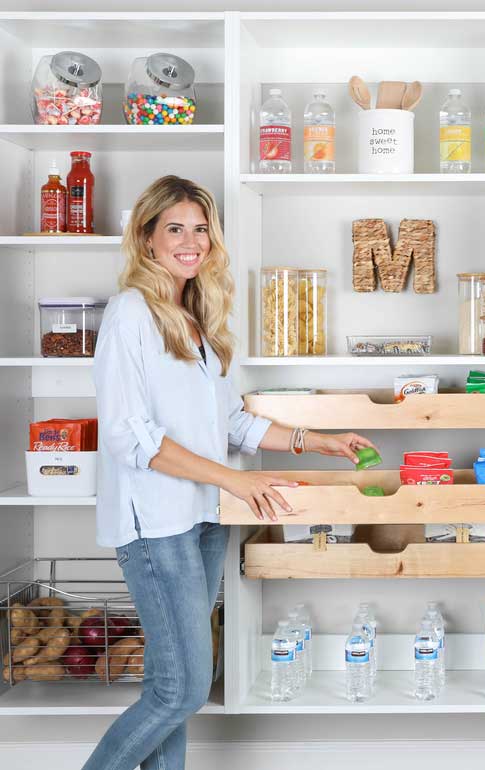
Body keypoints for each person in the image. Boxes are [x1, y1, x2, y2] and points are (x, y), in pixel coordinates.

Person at [83, 175, 377, 770]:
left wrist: (318, 442)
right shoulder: (128, 314)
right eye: (175, 229)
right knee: (183, 689)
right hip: (157, 524)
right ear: (146, 239)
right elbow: (128, 437)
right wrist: (233, 479)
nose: (190, 242)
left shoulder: (199, 322)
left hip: (205, 519)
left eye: (200, 230)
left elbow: (232, 425)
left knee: (172, 685)